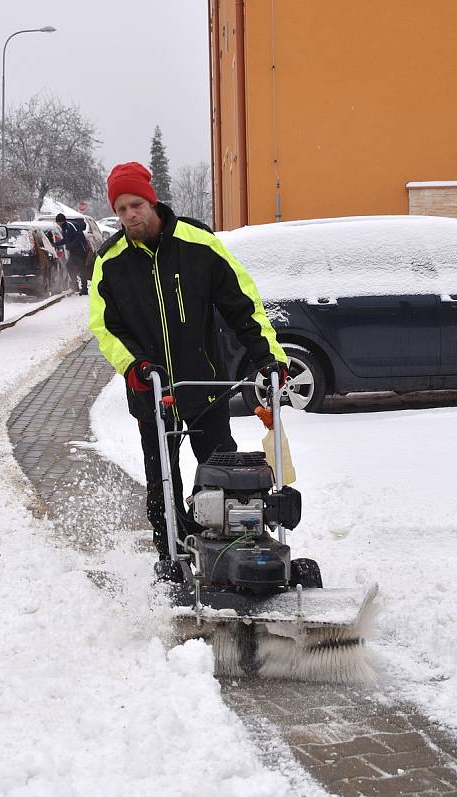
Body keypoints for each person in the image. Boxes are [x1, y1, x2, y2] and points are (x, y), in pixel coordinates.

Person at [90, 161, 288, 581]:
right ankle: (174, 564)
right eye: (122, 209)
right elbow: (106, 328)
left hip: (205, 390)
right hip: (152, 392)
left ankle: (233, 554)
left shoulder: (197, 243)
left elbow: (242, 304)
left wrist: (267, 356)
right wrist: (135, 366)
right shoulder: (110, 263)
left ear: (152, 198)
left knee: (224, 476)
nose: (130, 216)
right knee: (162, 490)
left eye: (136, 205)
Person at [54, 213, 90, 295]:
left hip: (81, 250)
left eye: (58, 222)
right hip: (73, 251)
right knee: (69, 266)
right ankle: (75, 285)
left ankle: (84, 289)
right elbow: (66, 240)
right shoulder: (64, 228)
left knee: (81, 269)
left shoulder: (71, 225)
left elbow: (79, 236)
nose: (57, 224)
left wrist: (71, 245)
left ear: (61, 221)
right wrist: (56, 244)